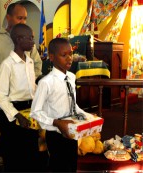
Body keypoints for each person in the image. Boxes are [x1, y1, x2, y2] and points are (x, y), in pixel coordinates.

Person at [30, 37, 88, 172]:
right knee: (58, 166)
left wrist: (86, 115)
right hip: (55, 133)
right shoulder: (46, 82)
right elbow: (35, 112)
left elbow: (73, 105)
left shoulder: (72, 77)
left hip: (71, 130)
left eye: (70, 54)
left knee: (72, 164)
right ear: (51, 57)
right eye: (64, 55)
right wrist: (57, 123)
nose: (69, 58)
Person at [0, 23, 45, 172]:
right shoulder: (7, 65)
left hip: (28, 111)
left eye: (33, 38)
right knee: (15, 154)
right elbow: (0, 97)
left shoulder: (29, 61)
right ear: (18, 39)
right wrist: (17, 115)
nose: (33, 42)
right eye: (29, 38)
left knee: (30, 152)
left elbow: (31, 90)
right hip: (13, 112)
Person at [0, 2, 42, 78]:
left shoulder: (28, 39)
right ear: (8, 18)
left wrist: (28, 81)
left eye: (25, 18)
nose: (23, 22)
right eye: (19, 18)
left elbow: (37, 64)